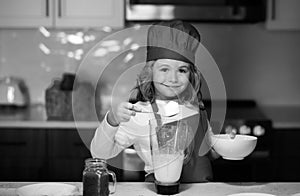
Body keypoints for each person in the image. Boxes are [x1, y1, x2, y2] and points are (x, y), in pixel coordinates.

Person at [90, 20, 219, 183]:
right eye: (164, 69)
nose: (173, 78)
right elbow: (100, 153)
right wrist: (112, 120)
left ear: (191, 75)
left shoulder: (195, 108)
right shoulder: (140, 113)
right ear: (150, 73)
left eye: (182, 70)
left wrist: (226, 147)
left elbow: (210, 152)